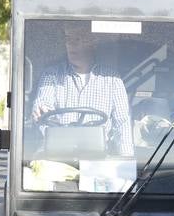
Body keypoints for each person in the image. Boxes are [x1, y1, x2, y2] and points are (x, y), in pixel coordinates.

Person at [31, 26, 133, 157]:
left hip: (98, 159)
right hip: (56, 157)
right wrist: (40, 110)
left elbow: (122, 124)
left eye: (78, 39)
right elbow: (42, 103)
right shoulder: (51, 75)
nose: (71, 44)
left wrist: (126, 165)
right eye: (68, 39)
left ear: (93, 43)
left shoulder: (112, 79)